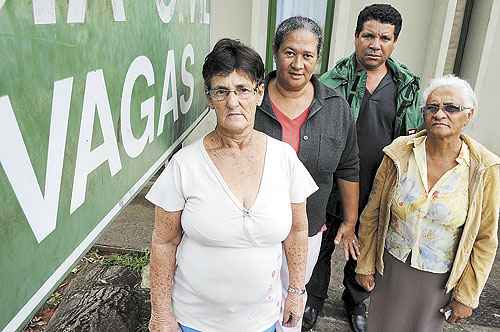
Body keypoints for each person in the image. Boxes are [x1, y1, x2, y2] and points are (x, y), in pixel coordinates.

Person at [146, 38, 318, 332]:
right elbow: (164, 241)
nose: (233, 102)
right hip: (194, 322)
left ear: (259, 93)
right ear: (209, 97)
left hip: (263, 320)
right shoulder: (185, 165)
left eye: (242, 90)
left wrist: (296, 291)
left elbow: (297, 231)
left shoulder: (284, 158)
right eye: (222, 91)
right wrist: (160, 312)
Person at [304, 4, 424, 332]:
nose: (375, 44)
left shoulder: (408, 87)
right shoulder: (330, 82)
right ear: (356, 36)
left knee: (365, 248)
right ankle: (311, 300)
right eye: (368, 35)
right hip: (331, 184)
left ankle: (355, 301)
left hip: (378, 185)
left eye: (385, 38)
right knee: (321, 245)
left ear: (394, 42)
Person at [355, 75, 500, 331]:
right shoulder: (400, 151)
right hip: (391, 267)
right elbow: (373, 213)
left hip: (439, 279)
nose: (440, 114)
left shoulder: (484, 168)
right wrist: (365, 264)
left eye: (451, 108)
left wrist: (467, 296)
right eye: (432, 107)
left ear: (469, 115)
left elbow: (484, 239)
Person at [254, 16, 360, 332]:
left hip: (310, 226)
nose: (298, 63)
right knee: (252, 301)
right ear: (275, 52)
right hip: (255, 226)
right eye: (290, 52)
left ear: (317, 58)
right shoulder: (251, 99)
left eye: (307, 55)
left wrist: (350, 221)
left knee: (292, 300)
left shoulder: (335, 107)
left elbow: (348, 165)